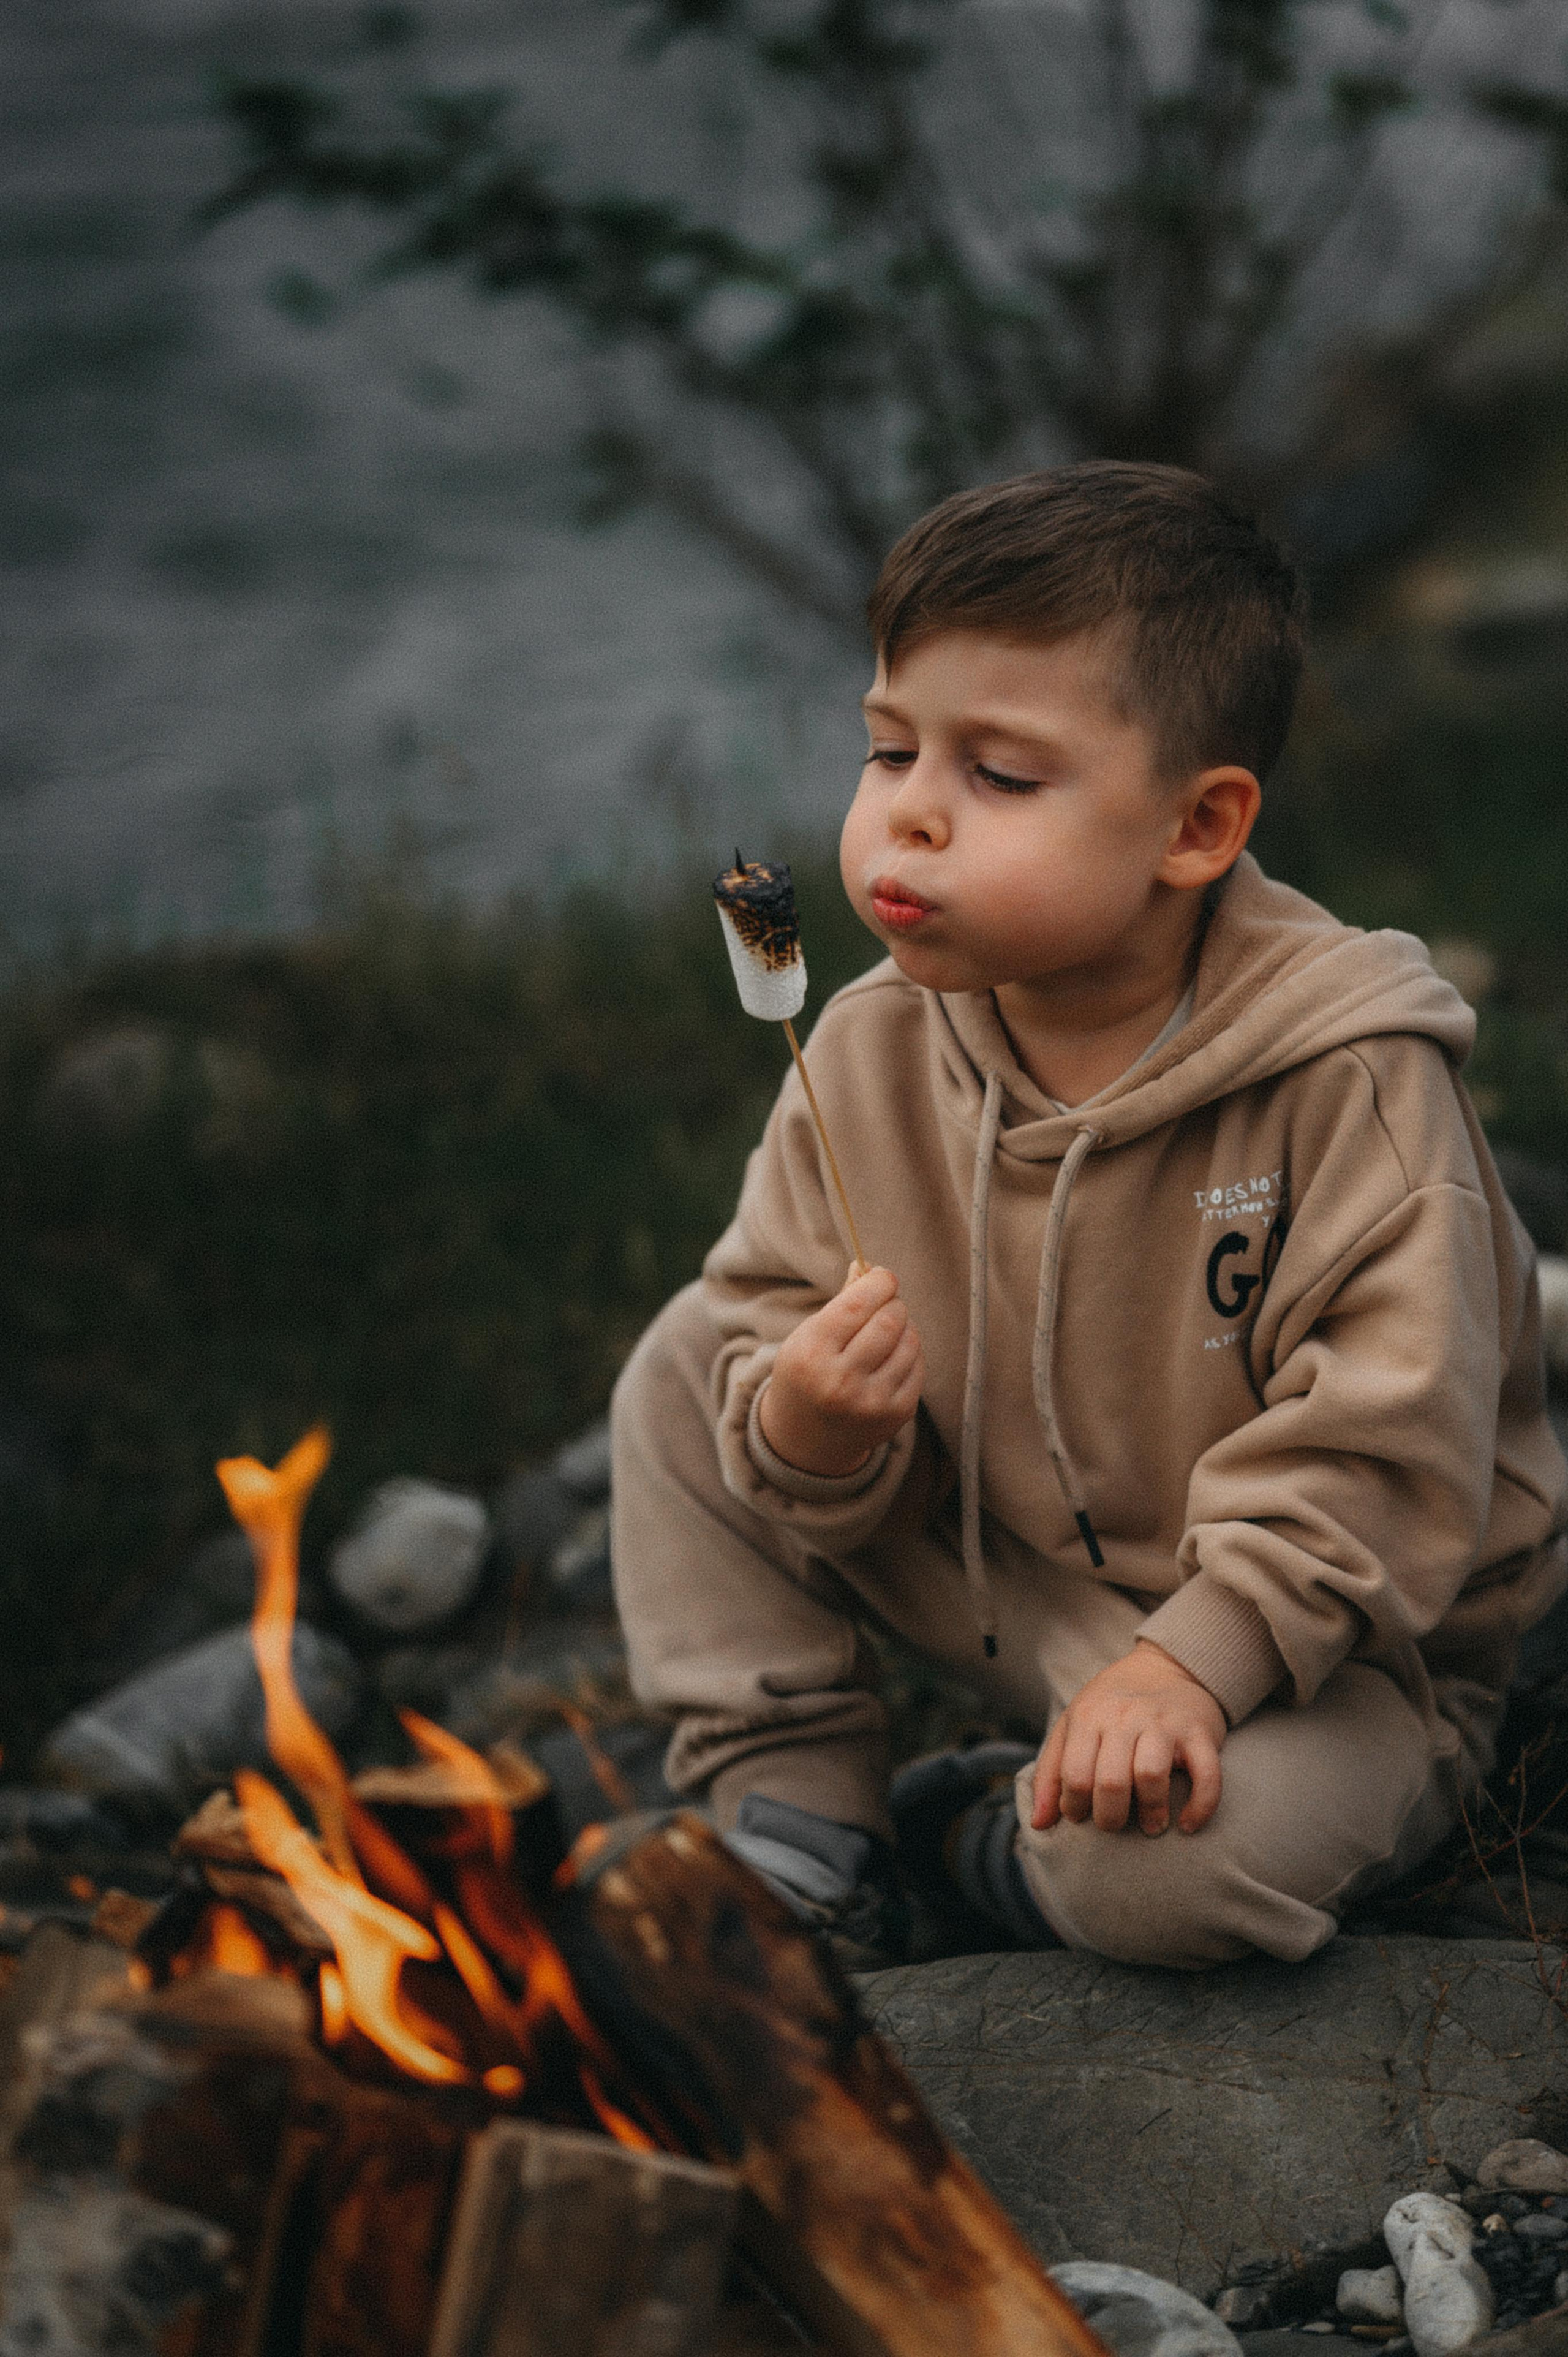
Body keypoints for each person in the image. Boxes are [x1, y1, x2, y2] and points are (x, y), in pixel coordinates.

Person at [609, 461, 1568, 1972]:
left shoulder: (1347, 1083)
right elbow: (768, 1334)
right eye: (887, 750)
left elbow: (1387, 1453)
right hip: (1010, 1578)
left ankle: (983, 1842)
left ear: (1194, 828)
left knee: (1166, 1888)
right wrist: (814, 1434)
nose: (908, 820)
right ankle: (799, 1817)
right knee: (686, 1368)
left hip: (1316, 1650)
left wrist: (1192, 1665)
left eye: (996, 776)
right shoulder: (860, 1048)